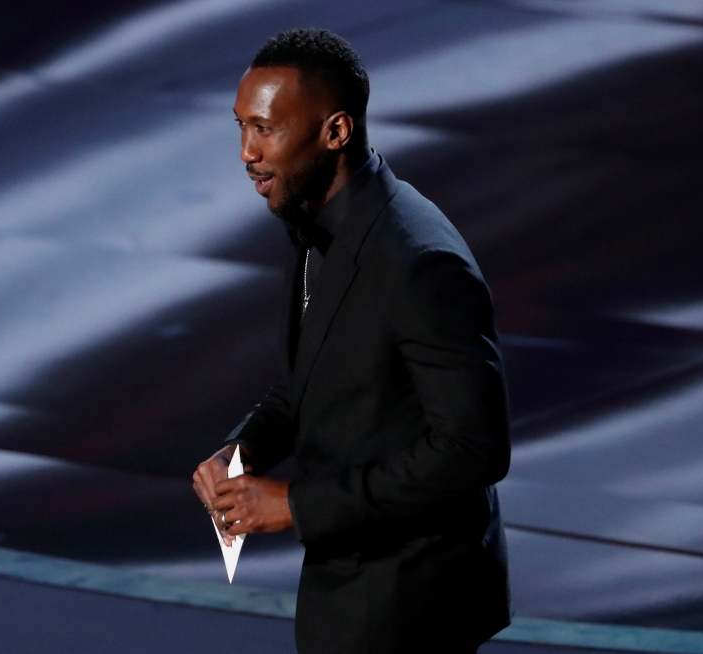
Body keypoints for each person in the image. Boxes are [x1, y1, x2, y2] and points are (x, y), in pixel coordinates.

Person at [192, 28, 511, 653]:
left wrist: (298, 505)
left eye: (265, 129)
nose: (246, 153)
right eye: (240, 127)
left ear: (336, 132)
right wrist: (243, 451)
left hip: (413, 597)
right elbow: (314, 378)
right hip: (354, 581)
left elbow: (473, 449)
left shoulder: (418, 261)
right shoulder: (316, 224)